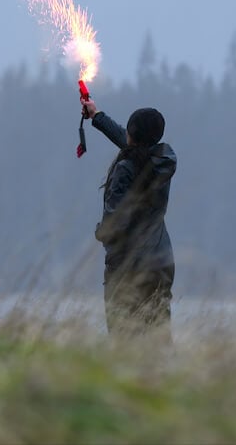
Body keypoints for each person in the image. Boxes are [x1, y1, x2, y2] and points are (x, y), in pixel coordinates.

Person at [80, 98, 177, 343]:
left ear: (133, 135)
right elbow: (131, 143)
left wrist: (100, 232)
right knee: (158, 336)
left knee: (124, 340)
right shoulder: (161, 161)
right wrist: (97, 115)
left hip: (128, 266)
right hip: (160, 263)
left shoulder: (126, 168)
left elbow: (116, 223)